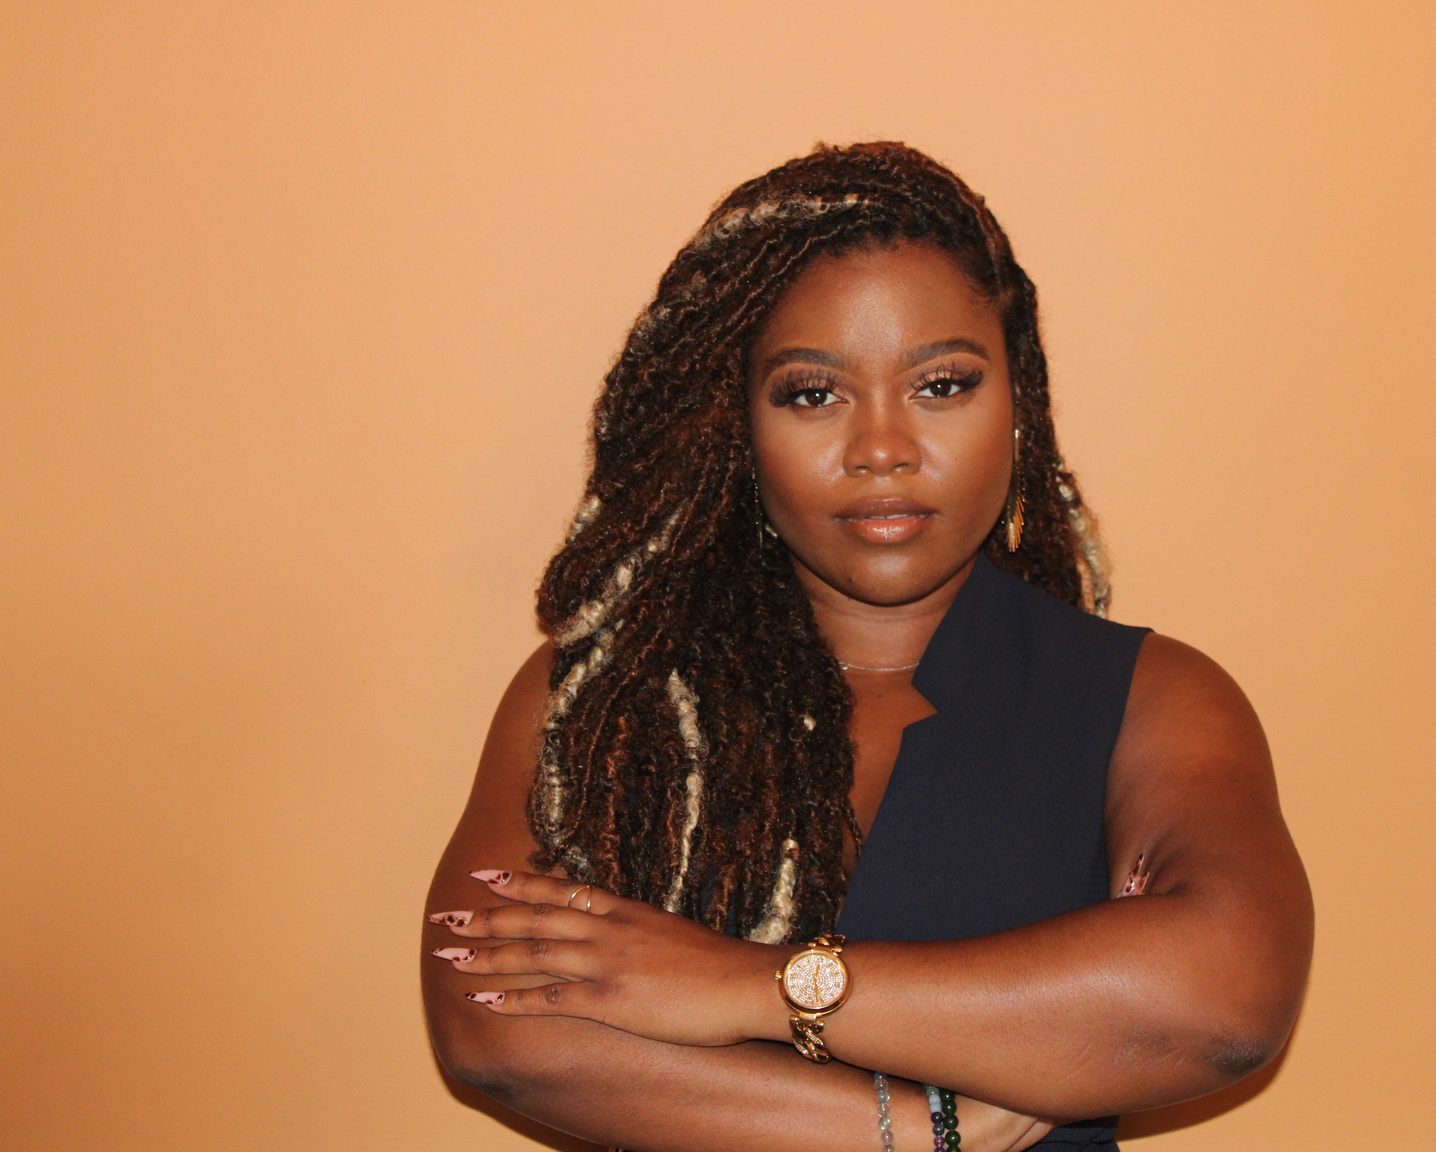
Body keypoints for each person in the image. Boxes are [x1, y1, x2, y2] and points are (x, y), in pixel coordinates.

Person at [421, 141, 1313, 1152]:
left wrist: (746, 987)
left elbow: (1225, 998)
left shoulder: (1146, 697)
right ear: (735, 430)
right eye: (812, 393)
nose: (881, 447)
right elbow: (491, 1025)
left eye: (941, 385)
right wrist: (927, 1128)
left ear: (1016, 407)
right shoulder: (601, 704)